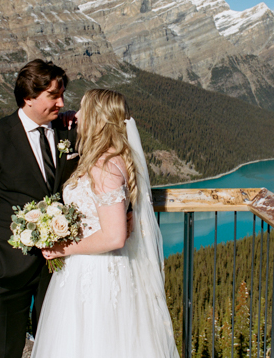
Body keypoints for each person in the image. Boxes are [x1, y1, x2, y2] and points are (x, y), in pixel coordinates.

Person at [31, 89, 179, 358]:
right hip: (106, 265)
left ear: (97, 117)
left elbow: (114, 237)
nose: (77, 115)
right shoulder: (117, 156)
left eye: (83, 110)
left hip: (94, 270)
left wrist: (65, 248)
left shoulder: (103, 165)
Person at [0, 59, 80, 358]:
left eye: (62, 94)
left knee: (55, 349)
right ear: (28, 97)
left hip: (57, 269)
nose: (61, 102)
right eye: (54, 95)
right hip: (5, 267)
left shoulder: (68, 132)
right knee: (4, 352)